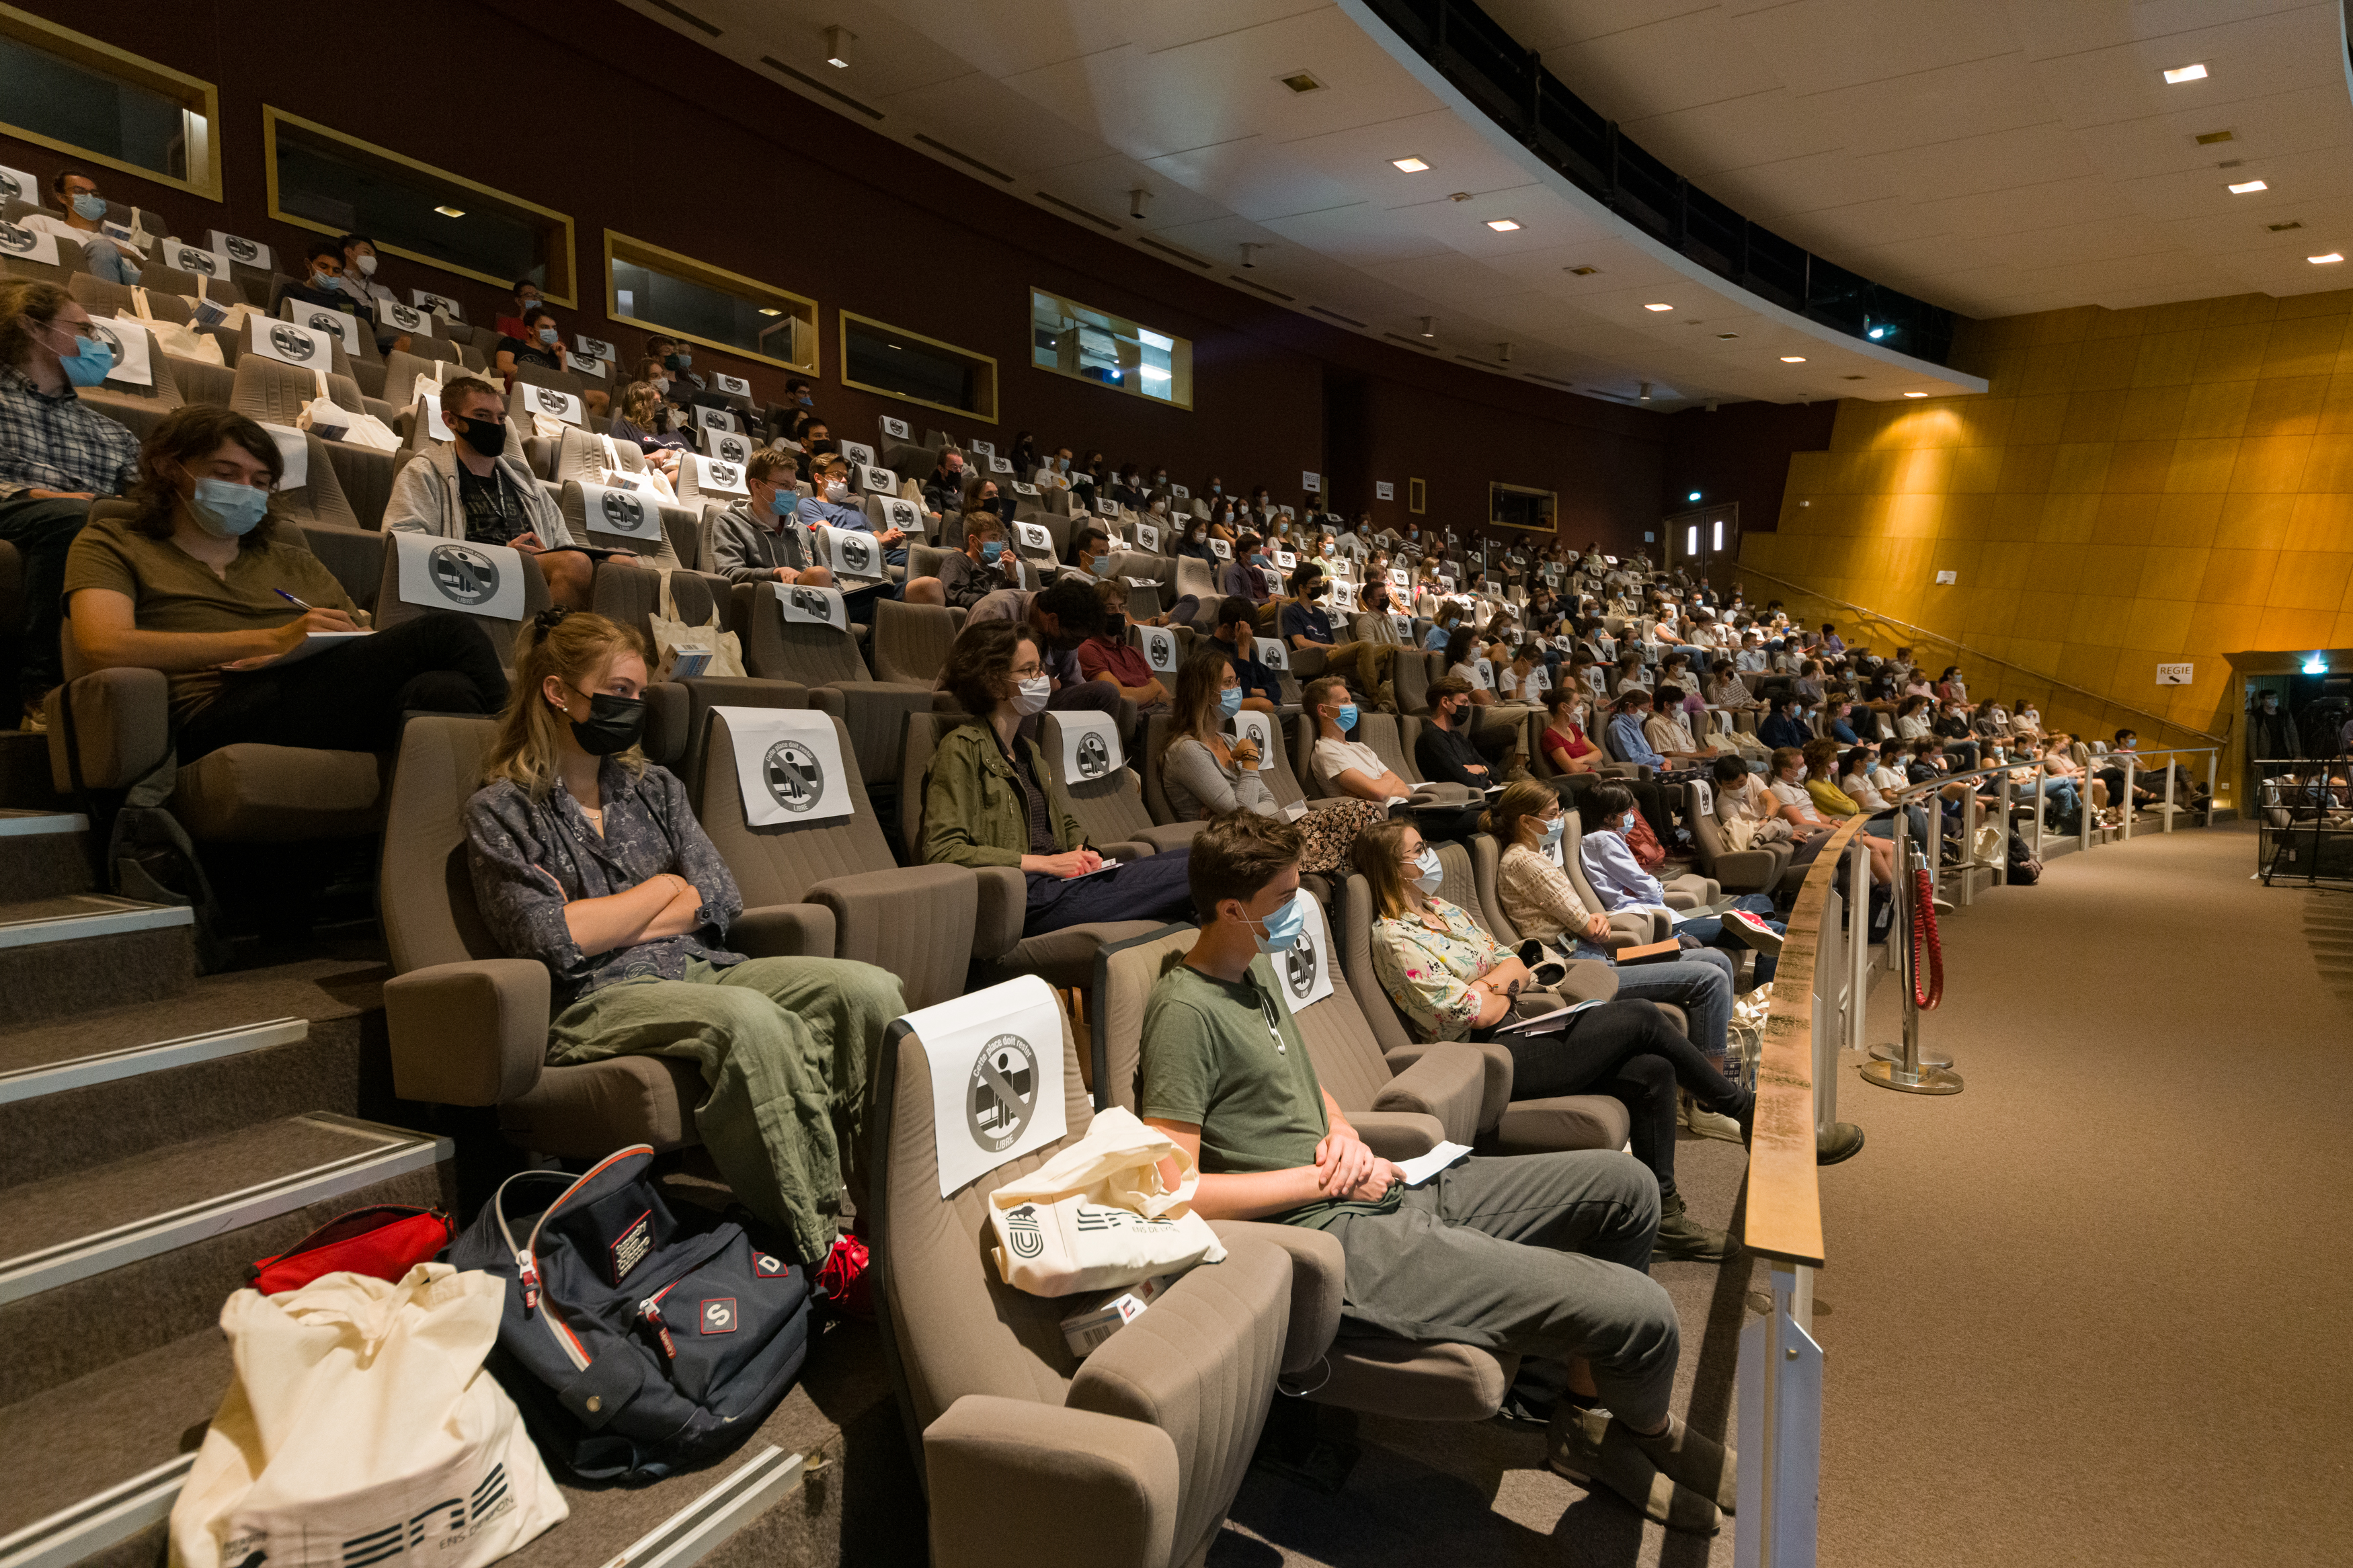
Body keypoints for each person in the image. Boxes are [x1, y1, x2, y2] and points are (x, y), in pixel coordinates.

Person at [1137, 812, 1730, 1532]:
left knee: (1624, 1189)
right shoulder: (1183, 1010)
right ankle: (1644, 1430)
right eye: (1286, 896)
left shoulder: (1252, 966)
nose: (1301, 909)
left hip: (1381, 1180)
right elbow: (1174, 1190)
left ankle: (1585, 1419)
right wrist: (1323, 1180)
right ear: (1232, 908)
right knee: (1643, 1314)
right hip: (1331, 1233)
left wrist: (1343, 1133)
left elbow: (1301, 1081)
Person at [463, 607, 898, 1262]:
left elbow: (719, 893)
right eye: (618, 692)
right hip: (591, 1000)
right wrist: (665, 890)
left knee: (869, 990)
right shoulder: (501, 809)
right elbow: (549, 937)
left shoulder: (654, 787)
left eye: (638, 693)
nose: (634, 706)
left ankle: (890, 1215)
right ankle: (818, 1244)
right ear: (557, 692)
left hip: (699, 966)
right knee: (749, 1021)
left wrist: (620, 912)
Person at [1357, 815, 1751, 1262]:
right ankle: (1740, 1107)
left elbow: (1516, 962)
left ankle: (1668, 1217)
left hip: (1521, 1025)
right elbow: (1476, 1012)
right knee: (1641, 1016)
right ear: (1392, 867)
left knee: (1652, 1070)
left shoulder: (1444, 910)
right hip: (1483, 1060)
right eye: (1417, 850)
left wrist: (1494, 982)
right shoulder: (1393, 937)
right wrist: (1498, 984)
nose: (1429, 855)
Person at [65, 405, 508, 761]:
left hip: (314, 696)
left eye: (260, 482)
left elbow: (357, 638)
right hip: (211, 711)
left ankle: (397, 858)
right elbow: (104, 645)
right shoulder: (113, 541)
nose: (247, 489)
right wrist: (275, 638)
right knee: (449, 633)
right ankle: (537, 779)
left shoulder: (291, 559)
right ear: (169, 468)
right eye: (225, 473)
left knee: (446, 692)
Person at [1488, 780, 1748, 1143]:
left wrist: (1592, 921)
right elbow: (1588, 925)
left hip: (1593, 956)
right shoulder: (1524, 862)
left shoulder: (1540, 856)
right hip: (1579, 968)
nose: (1560, 819)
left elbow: (1591, 921)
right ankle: (1708, 1107)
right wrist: (1591, 922)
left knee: (1714, 958)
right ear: (1526, 821)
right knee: (1710, 978)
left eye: (1560, 811)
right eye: (1552, 814)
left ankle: (1711, 1087)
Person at [921, 620, 1195, 934]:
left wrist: (1082, 848)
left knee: (1201, 856)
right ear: (995, 685)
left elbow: (1061, 821)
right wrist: (1045, 863)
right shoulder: (961, 749)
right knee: (1204, 870)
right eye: (1029, 671)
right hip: (1026, 896)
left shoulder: (1029, 752)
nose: (1043, 680)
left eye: (1040, 668)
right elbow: (943, 851)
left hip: (1062, 883)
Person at [0, 279, 142, 723]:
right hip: (20, 510)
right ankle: (44, 685)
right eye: (83, 329)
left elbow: (147, 503)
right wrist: (38, 495)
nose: (96, 343)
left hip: (88, 519)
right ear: (34, 328)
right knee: (73, 515)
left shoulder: (112, 431)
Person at [383, 376, 607, 608]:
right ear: (451, 420)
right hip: (470, 579)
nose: (495, 425)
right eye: (482, 416)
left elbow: (563, 543)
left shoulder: (524, 481)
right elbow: (401, 545)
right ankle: (544, 642)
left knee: (618, 565)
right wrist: (498, 557)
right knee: (575, 564)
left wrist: (550, 555)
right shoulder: (424, 472)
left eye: (501, 418)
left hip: (533, 576)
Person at [1159, 650, 1386, 869]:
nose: (1236, 689)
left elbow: (1268, 799)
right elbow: (1241, 810)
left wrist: (1230, 813)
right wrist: (1249, 760)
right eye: (1228, 682)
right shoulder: (1186, 751)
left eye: (1236, 681)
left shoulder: (1229, 741)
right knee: (1360, 818)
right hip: (1233, 850)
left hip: (1260, 835)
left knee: (1363, 818)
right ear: (1205, 692)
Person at [1580, 784, 1790, 991]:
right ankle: (1766, 993)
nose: (1632, 816)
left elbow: (1641, 881)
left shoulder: (1607, 839)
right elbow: (1650, 889)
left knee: (1757, 898)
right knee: (1778, 932)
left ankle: (1744, 916)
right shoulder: (1603, 840)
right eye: (1626, 811)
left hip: (1671, 914)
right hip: (1665, 923)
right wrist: (1655, 885)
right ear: (1608, 817)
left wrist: (1650, 883)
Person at [1306, 675, 1484, 843]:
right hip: (1386, 822)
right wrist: (1382, 786)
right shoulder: (1326, 751)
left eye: (1351, 700)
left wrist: (1379, 786)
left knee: (1486, 813)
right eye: (1344, 701)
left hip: (1407, 811)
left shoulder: (1360, 747)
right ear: (1323, 710)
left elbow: (1403, 789)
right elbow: (1379, 794)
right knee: (1482, 821)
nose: (1352, 706)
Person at [952, 574, 1122, 731]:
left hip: (1038, 703)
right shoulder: (997, 610)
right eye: (1077, 638)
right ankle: (1025, 761)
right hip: (980, 700)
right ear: (1053, 619)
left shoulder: (1064, 631)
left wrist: (1043, 686)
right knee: (1030, 694)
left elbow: (1073, 683)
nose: (1078, 644)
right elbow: (976, 679)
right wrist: (1037, 683)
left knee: (1106, 692)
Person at [709, 447, 834, 588]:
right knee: (817, 574)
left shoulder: (802, 531)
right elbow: (729, 574)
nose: (791, 493)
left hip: (808, 601)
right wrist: (775, 573)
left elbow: (833, 582)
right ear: (757, 485)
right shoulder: (730, 523)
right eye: (784, 485)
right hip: (762, 600)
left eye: (794, 487)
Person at [1765, 748, 1892, 884]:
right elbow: (1800, 822)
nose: (1805, 768)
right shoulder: (1780, 790)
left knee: (1892, 846)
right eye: (1801, 765)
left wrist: (1835, 821)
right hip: (1810, 835)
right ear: (1787, 771)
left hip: (1824, 830)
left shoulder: (1796, 786)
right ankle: (1886, 892)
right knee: (1870, 846)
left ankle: (1890, 892)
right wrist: (1840, 830)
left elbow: (1816, 814)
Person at [1280, 564, 1392, 692]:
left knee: (1391, 649)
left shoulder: (1321, 614)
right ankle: (1376, 697)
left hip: (1331, 654)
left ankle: (1391, 694)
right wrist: (1332, 648)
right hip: (1314, 658)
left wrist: (1336, 648)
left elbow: (1332, 642)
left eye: (1320, 583)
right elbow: (1301, 644)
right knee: (1364, 646)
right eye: (1314, 583)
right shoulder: (1292, 611)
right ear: (1301, 587)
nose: (1319, 586)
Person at [20, 169, 142, 286]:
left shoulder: (126, 246)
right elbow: (24, 266)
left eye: (95, 194)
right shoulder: (39, 223)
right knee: (102, 247)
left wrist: (133, 256)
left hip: (130, 300)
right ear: (62, 197)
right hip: (64, 292)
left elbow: (155, 279)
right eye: (80, 191)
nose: (90, 197)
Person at [799, 454, 907, 581]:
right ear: (818, 478)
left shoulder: (855, 508)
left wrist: (891, 539)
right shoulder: (809, 504)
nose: (844, 481)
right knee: (924, 559)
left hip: (878, 553)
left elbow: (880, 538)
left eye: (846, 476)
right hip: (854, 556)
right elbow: (830, 536)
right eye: (838, 475)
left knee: (928, 555)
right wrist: (882, 541)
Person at [1074, 577, 1168, 716]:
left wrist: (1141, 696)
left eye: (1122, 607)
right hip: (1135, 720)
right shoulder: (1089, 649)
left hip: (1159, 713)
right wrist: (1153, 690)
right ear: (1095, 613)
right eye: (1110, 608)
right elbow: (1119, 696)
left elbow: (1165, 696)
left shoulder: (1133, 652)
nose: (1118, 613)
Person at [496, 306, 608, 416]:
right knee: (519, 374)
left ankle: (581, 429)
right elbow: (504, 365)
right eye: (545, 327)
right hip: (528, 388)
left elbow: (565, 384)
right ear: (530, 330)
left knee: (602, 399)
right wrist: (545, 378)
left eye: (554, 328)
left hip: (556, 392)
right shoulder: (513, 343)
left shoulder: (555, 355)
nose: (551, 331)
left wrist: (563, 359)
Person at [904, 513, 1009, 610]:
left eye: (999, 539)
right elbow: (956, 597)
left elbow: (1010, 602)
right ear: (973, 541)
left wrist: (1013, 577)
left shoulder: (996, 572)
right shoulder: (957, 561)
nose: (998, 544)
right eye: (993, 537)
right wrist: (994, 604)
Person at [1415, 675, 1498, 792]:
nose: (1467, 707)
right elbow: (1465, 781)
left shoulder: (1458, 737)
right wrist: (1486, 781)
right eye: (1463, 702)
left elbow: (1497, 775)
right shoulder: (1432, 739)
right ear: (1445, 702)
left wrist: (1482, 769)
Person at [1205, 596, 1282, 714]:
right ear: (1227, 628)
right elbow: (1239, 698)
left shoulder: (1249, 652)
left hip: (1267, 710)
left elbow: (1276, 688)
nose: (1249, 635)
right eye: (1244, 630)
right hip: (1246, 714)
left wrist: (1257, 692)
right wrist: (1243, 648)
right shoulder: (1209, 654)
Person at [607, 373, 689, 481]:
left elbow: (694, 458)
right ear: (639, 406)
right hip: (650, 476)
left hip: (683, 470)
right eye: (655, 402)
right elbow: (623, 462)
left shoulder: (670, 428)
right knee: (687, 474)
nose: (662, 406)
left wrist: (666, 452)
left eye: (661, 401)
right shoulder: (626, 427)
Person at [280, 238, 357, 316]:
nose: (330, 274)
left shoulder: (348, 301)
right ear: (308, 264)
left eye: (336, 271)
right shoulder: (293, 291)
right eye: (323, 267)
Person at [1220, 530, 1271, 606]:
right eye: (1255, 552)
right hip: (1252, 610)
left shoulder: (1259, 572)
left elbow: (1268, 595)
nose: (1258, 555)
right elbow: (1235, 599)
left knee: (1287, 602)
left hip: (1267, 606)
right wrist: (1267, 600)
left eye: (1259, 551)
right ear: (1243, 554)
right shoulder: (1234, 571)